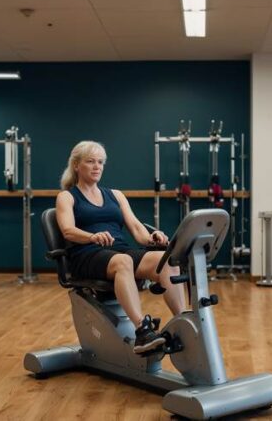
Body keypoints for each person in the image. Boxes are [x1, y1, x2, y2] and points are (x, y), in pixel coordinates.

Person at [55, 140, 186, 354]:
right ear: (77, 166)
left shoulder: (115, 195)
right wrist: (92, 236)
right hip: (87, 254)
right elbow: (68, 231)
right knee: (123, 261)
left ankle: (183, 323)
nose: (97, 166)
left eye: (100, 162)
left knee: (166, 259)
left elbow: (135, 228)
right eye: (90, 162)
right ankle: (142, 331)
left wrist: (152, 238)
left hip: (118, 251)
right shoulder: (67, 197)